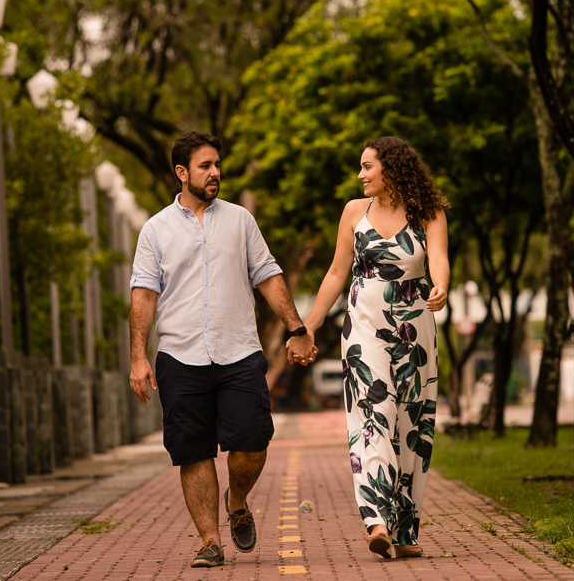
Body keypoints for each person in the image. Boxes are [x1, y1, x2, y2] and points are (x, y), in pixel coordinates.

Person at [128, 130, 317, 568]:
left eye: (217, 165)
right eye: (205, 166)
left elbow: (267, 275)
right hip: (180, 355)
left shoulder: (240, 220)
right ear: (182, 173)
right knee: (193, 451)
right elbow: (142, 295)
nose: (216, 173)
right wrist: (138, 356)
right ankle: (210, 541)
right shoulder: (155, 230)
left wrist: (297, 327)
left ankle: (238, 499)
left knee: (253, 441)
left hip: (238, 351)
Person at [296, 136, 449, 559]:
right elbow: (335, 273)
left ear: (392, 169)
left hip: (415, 329)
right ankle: (377, 521)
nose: (361, 175)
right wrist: (306, 326)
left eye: (367, 166)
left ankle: (404, 530)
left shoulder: (428, 212)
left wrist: (441, 286)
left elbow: (438, 257)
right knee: (375, 415)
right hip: (364, 328)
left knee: (411, 425)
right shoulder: (353, 212)